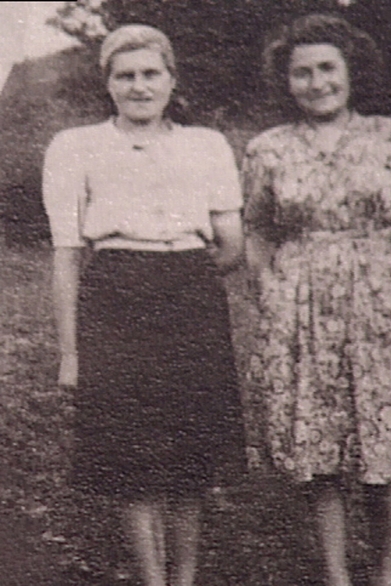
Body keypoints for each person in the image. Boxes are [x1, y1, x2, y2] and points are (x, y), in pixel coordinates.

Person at [43, 24, 246, 586]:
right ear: (107, 83)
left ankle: (183, 577)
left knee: (188, 451)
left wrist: (183, 277)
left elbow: (232, 245)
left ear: (171, 79)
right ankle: (153, 579)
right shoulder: (75, 146)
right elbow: (66, 256)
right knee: (132, 454)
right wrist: (70, 353)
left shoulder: (206, 145)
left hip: (190, 294)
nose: (139, 87)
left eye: (150, 74)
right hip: (114, 298)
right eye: (125, 76)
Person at [243, 13, 391, 586]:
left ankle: (384, 573)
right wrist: (268, 284)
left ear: (351, 70)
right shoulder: (268, 148)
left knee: (383, 448)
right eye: (301, 72)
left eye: (328, 67)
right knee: (316, 451)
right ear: (286, 81)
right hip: (300, 308)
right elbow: (256, 227)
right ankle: (335, 576)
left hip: (378, 301)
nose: (316, 82)